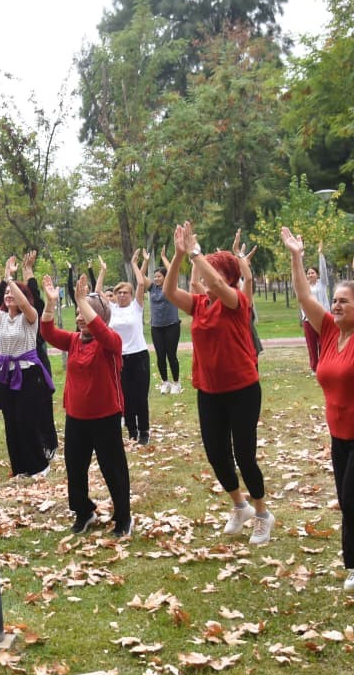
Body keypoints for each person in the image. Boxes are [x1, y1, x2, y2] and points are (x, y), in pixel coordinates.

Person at [283, 220, 354, 589]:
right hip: (342, 432)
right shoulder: (331, 331)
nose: (335, 305)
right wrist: (296, 257)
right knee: (348, 499)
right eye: (333, 299)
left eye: (342, 300)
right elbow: (304, 296)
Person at [162, 221, 274, 545]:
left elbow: (215, 282)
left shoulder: (237, 302)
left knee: (245, 455)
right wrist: (180, 255)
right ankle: (239, 505)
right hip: (209, 390)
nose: (205, 278)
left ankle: (263, 514)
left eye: (213, 272)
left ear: (227, 277)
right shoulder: (199, 305)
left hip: (242, 389)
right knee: (216, 453)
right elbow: (170, 292)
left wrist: (196, 254)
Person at [40, 273, 132, 536]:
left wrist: (83, 300)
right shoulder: (73, 341)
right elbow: (46, 331)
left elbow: (103, 332)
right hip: (76, 417)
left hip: (106, 416)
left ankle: (123, 518)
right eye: (78, 313)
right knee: (76, 468)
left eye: (86, 313)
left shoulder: (111, 341)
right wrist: (50, 303)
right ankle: (84, 512)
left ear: (99, 316)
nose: (80, 318)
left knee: (113, 469)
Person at [0, 258, 54, 478]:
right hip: (5, 373)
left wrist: (10, 279)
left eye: (12, 293)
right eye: (6, 294)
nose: (8, 295)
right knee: (11, 422)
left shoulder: (30, 317)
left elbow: (23, 303)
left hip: (28, 373)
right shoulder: (0, 318)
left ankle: (39, 465)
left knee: (26, 420)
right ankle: (20, 467)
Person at [104, 250, 152, 445]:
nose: (122, 295)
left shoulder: (136, 307)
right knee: (126, 397)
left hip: (139, 356)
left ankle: (144, 431)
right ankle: (131, 431)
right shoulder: (111, 310)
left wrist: (135, 263)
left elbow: (141, 283)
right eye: (119, 293)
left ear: (131, 295)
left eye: (126, 292)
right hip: (120, 358)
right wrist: (101, 272)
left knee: (140, 396)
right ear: (115, 296)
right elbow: (98, 292)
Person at [148, 253, 182, 393]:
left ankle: (176, 383)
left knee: (171, 355)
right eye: (155, 276)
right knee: (160, 356)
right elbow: (140, 278)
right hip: (156, 327)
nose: (156, 278)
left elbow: (172, 271)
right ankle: (165, 382)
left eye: (159, 276)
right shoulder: (151, 288)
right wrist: (144, 261)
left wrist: (163, 257)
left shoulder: (170, 286)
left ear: (165, 277)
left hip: (172, 325)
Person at [298, 247, 331, 373]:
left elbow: (323, 269)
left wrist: (320, 254)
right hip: (308, 319)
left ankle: (324, 365)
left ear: (317, 275)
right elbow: (298, 273)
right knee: (311, 345)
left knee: (324, 343)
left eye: (313, 272)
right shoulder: (304, 286)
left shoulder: (322, 284)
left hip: (322, 318)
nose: (310, 274)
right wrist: (299, 257)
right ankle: (314, 368)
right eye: (309, 273)